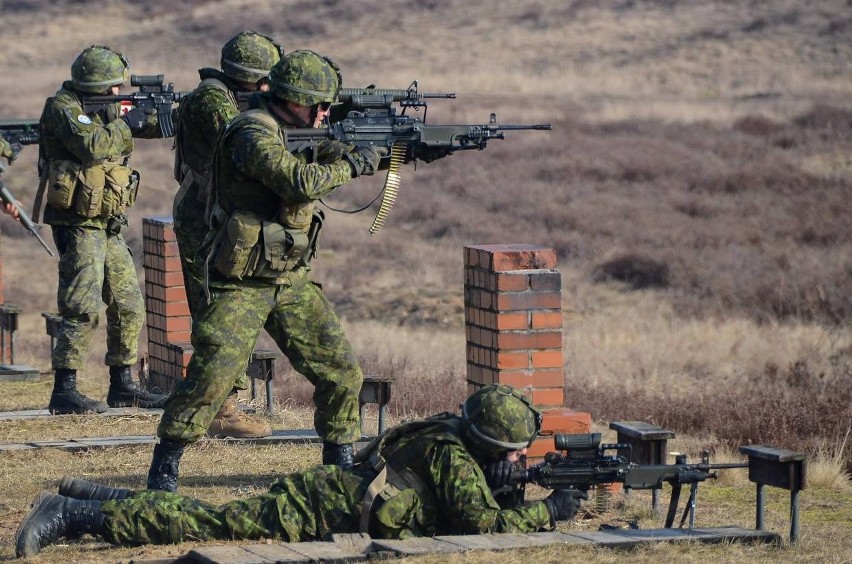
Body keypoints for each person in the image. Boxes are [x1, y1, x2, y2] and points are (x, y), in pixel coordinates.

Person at [145, 49, 387, 491]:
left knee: (340, 371)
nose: (325, 113)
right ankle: (165, 467)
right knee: (211, 377)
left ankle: (339, 465)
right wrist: (353, 163)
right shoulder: (250, 132)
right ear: (296, 100)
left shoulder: (296, 129)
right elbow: (299, 182)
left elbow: (329, 152)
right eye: (319, 105)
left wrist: (384, 148)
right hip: (240, 281)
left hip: (288, 276)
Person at [16, 384, 588, 558]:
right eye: (511, 453)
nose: (516, 462)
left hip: (330, 497)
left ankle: (94, 492)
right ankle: (72, 515)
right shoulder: (454, 457)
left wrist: (518, 484)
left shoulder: (448, 437)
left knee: (206, 515)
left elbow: (474, 499)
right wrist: (551, 511)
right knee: (204, 526)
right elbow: (482, 526)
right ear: (487, 443)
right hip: (317, 507)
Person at [36, 45, 169, 414]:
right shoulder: (63, 108)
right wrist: (128, 122)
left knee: (128, 304)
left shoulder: (101, 105)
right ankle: (65, 389)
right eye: (112, 88)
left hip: (105, 224)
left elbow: (144, 127)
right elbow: (93, 146)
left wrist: (162, 114)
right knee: (83, 306)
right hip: (77, 225)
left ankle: (122, 385)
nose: (116, 95)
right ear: (94, 86)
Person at [172, 31, 283, 439]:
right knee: (216, 312)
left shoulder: (220, 94)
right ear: (252, 77)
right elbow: (244, 147)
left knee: (225, 309)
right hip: (204, 219)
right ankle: (220, 410)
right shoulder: (212, 100)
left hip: (213, 216)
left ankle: (217, 403)